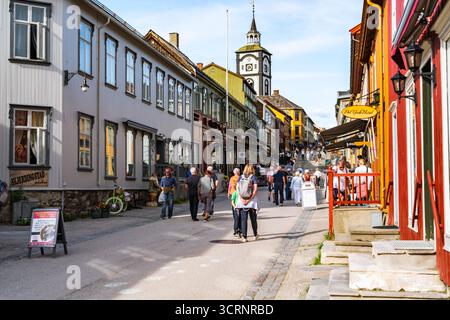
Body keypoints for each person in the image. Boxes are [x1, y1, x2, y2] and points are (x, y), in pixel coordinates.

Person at [236, 165, 259, 243]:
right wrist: (249, 200)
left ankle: (244, 237)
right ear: (252, 169)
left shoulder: (240, 177)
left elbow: (238, 189)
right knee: (253, 219)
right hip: (251, 202)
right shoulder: (253, 177)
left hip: (242, 202)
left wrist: (242, 199)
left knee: (243, 220)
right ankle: (255, 234)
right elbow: (255, 190)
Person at [228, 168, 241, 236]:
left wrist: (228, 193)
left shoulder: (232, 178)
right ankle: (239, 228)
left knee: (235, 213)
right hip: (240, 194)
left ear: (234, 172)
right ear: (238, 172)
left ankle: (236, 228)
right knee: (240, 213)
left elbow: (230, 186)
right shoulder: (241, 177)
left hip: (234, 194)